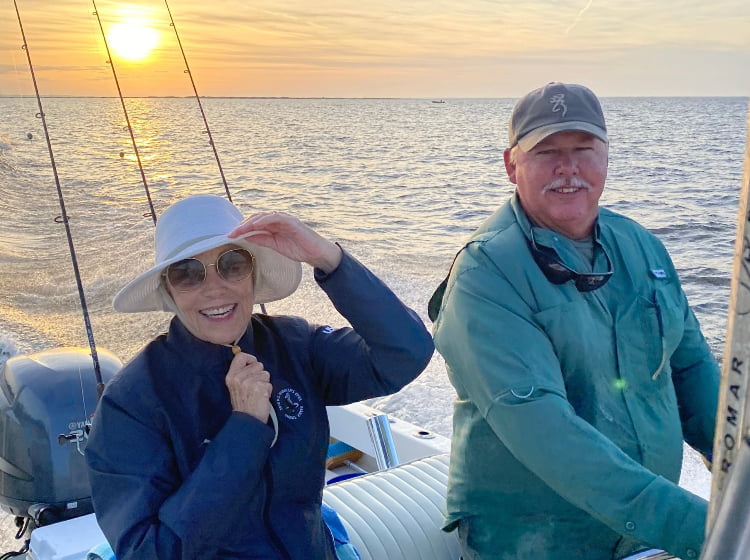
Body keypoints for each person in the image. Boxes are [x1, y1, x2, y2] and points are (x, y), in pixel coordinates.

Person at [428, 82, 720, 560]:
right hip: (534, 543)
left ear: (606, 157)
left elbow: (692, 374)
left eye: (583, 149)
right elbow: (546, 434)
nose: (568, 168)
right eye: (547, 152)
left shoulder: (642, 246)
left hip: (643, 535)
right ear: (511, 164)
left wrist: (739, 462)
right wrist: (705, 532)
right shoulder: (486, 273)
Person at [85, 193, 434, 560]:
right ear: (168, 291)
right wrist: (245, 430)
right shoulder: (132, 402)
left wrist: (329, 258)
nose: (214, 288)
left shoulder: (296, 346)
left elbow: (405, 354)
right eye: (187, 273)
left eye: (232, 264)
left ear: (254, 274)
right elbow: (150, 552)